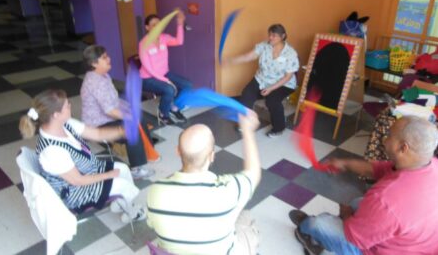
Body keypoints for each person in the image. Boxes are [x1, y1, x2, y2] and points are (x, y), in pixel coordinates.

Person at [289, 116, 438, 254]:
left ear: (403, 148)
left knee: (319, 223)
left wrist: (347, 215)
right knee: (358, 203)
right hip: (431, 244)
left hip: (398, 250)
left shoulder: (385, 199)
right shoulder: (436, 166)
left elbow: (356, 238)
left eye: (390, 135)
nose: (384, 138)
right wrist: (344, 163)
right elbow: (376, 169)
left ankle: (307, 233)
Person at [19, 89, 145, 223]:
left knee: (123, 169)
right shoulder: (52, 151)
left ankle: (124, 204)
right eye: (67, 105)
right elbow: (78, 181)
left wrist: (121, 131)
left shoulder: (66, 124)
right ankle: (132, 212)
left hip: (86, 170)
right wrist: (108, 175)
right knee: (122, 184)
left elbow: (97, 134)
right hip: (75, 192)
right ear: (56, 114)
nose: (70, 106)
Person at [146, 110, 262, 255]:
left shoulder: (155, 190)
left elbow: (151, 223)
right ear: (212, 156)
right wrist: (248, 132)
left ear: (178, 151)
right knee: (246, 218)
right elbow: (254, 173)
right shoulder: (228, 191)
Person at [80, 45, 158, 179]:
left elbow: (114, 100)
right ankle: (136, 169)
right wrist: (129, 116)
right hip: (98, 124)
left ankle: (146, 148)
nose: (109, 59)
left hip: (107, 117)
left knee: (139, 115)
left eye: (107, 55)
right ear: (94, 63)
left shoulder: (103, 75)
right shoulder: (95, 82)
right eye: (104, 58)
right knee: (132, 127)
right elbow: (109, 110)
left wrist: (130, 109)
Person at [225, 24, 299, 138]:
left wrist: (270, 88)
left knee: (272, 100)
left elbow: (288, 77)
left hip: (283, 83)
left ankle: (279, 127)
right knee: (247, 94)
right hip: (262, 79)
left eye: (274, 35)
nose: (270, 38)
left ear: (283, 36)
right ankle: (246, 123)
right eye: (269, 34)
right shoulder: (263, 46)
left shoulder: (290, 53)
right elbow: (248, 56)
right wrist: (232, 60)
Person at [139, 11, 192, 125]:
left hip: (164, 74)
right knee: (170, 89)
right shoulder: (143, 43)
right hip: (147, 78)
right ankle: (163, 114)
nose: (157, 27)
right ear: (147, 27)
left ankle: (172, 106)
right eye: (154, 25)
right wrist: (167, 81)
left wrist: (179, 24)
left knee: (187, 85)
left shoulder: (164, 38)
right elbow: (149, 69)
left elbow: (179, 41)